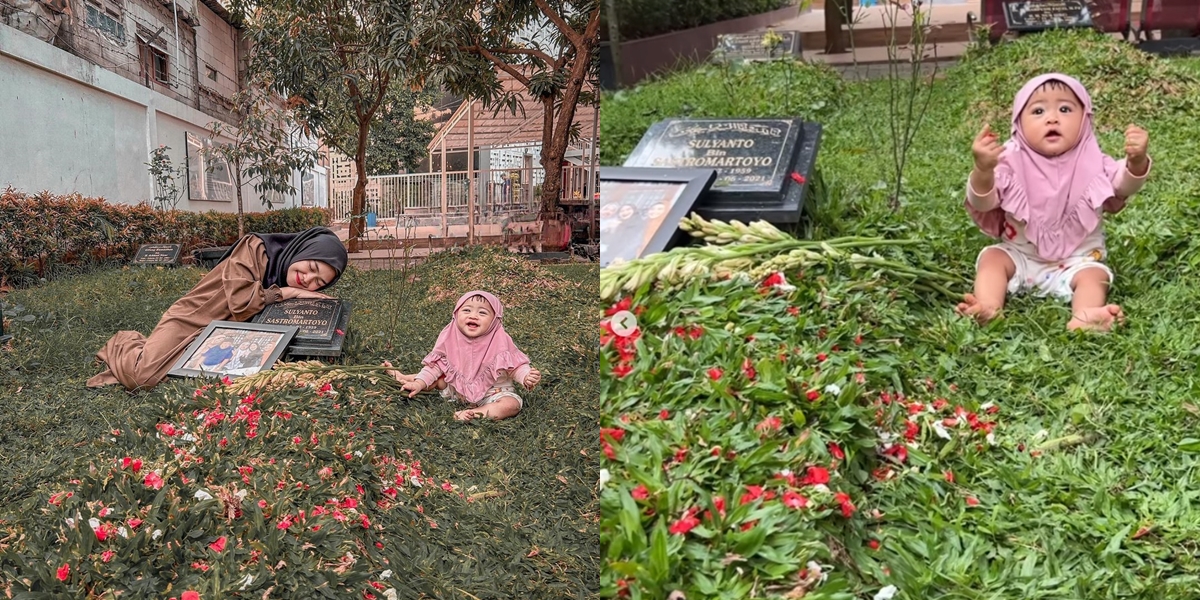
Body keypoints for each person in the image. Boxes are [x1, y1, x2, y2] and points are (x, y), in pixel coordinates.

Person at [957, 73, 1150, 332]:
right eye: (1038, 110)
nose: (1052, 118)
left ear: (1085, 119)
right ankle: (989, 306)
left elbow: (1123, 186)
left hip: (1077, 260)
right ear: (1018, 124)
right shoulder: (1009, 162)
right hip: (1020, 256)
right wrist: (983, 171)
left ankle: (1085, 317)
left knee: (1095, 276)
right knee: (992, 257)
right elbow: (983, 203)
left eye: (1065, 108)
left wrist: (1136, 163)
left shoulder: (1094, 161)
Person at [87, 227, 348, 391]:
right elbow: (239, 302)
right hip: (191, 319)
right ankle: (125, 341)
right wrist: (287, 292)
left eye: (319, 282)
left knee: (186, 376)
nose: (308, 280)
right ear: (303, 250)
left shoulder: (290, 272)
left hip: (225, 334)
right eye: (311, 268)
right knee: (142, 376)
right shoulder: (254, 248)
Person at [384, 291, 541, 421]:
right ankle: (406, 378)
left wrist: (526, 376)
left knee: (511, 405)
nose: (473, 315)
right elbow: (435, 366)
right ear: (456, 314)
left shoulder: (500, 340)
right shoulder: (449, 337)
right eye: (466, 310)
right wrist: (419, 383)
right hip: (458, 390)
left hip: (494, 393)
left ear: (494, 320)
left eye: (482, 312)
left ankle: (477, 414)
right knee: (437, 377)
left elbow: (515, 366)